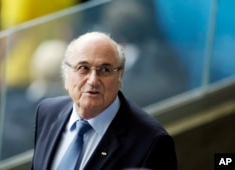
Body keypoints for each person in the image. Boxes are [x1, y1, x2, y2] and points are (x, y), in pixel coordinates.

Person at [32, 32, 177, 170]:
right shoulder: (47, 112)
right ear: (66, 74)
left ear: (120, 76)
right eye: (83, 68)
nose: (93, 80)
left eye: (105, 70)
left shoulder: (151, 141)